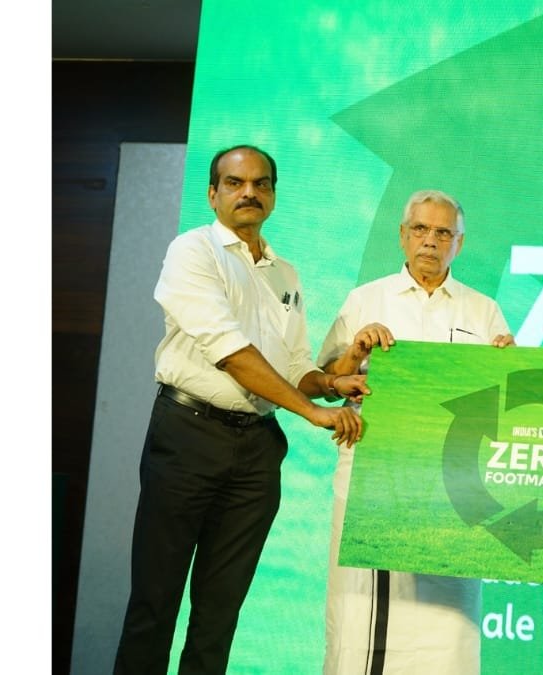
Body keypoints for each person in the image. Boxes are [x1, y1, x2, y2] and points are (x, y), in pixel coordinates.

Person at [114, 145, 367, 674]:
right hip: (188, 435)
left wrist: (329, 382)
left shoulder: (285, 274)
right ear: (213, 194)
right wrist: (311, 411)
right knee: (154, 605)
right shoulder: (193, 251)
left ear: (272, 195)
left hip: (256, 450)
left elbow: (293, 364)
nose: (249, 192)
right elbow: (230, 352)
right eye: (234, 183)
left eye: (260, 183)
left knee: (220, 614)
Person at [316, 189, 514, 674]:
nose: (431, 240)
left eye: (443, 232)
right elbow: (323, 382)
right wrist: (354, 352)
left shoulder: (482, 310)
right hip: (372, 479)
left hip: (454, 487)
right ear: (402, 236)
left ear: (459, 244)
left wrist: (510, 366)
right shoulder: (366, 299)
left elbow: (506, 403)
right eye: (421, 229)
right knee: (362, 613)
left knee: (448, 619)